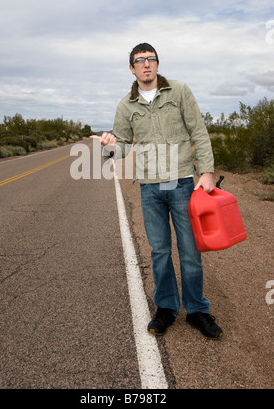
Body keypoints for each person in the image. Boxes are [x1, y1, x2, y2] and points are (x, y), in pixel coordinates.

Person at [92, 43, 223, 339]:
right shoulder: (126, 105)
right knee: (160, 251)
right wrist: (109, 147)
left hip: (182, 183)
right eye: (140, 61)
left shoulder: (179, 91)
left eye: (151, 59)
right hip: (150, 187)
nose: (146, 64)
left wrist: (207, 171)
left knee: (190, 251)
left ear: (158, 64)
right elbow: (122, 146)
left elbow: (198, 131)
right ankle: (166, 308)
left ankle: (197, 310)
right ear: (132, 68)